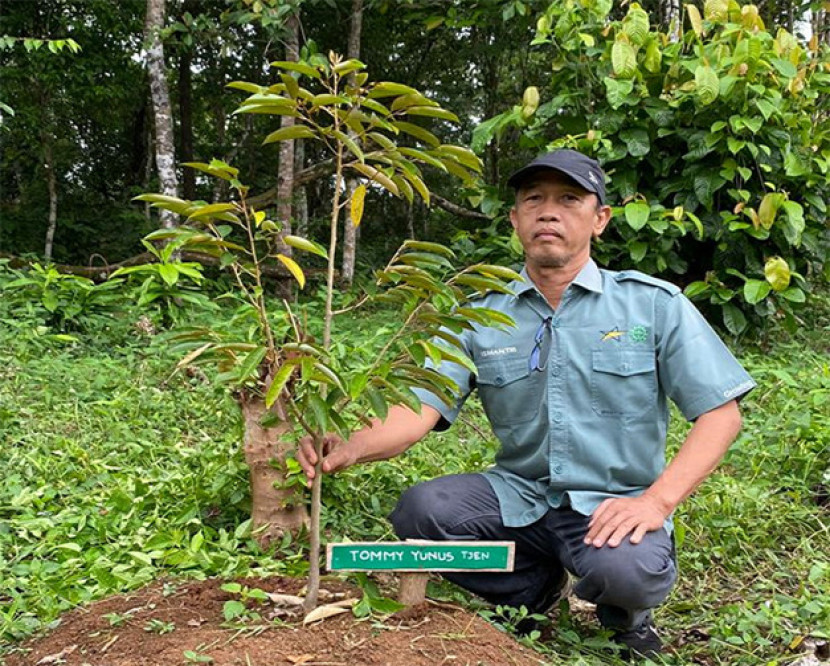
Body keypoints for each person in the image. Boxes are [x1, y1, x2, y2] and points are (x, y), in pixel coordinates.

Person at [297, 149, 755, 660]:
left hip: (612, 501)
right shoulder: (478, 315)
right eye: (533, 199)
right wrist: (348, 446)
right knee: (423, 511)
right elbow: (417, 408)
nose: (548, 212)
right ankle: (529, 592)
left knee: (627, 571)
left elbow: (721, 413)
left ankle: (624, 618)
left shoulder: (651, 304)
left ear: (599, 219)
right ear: (515, 219)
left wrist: (655, 502)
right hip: (518, 494)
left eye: (568, 199)